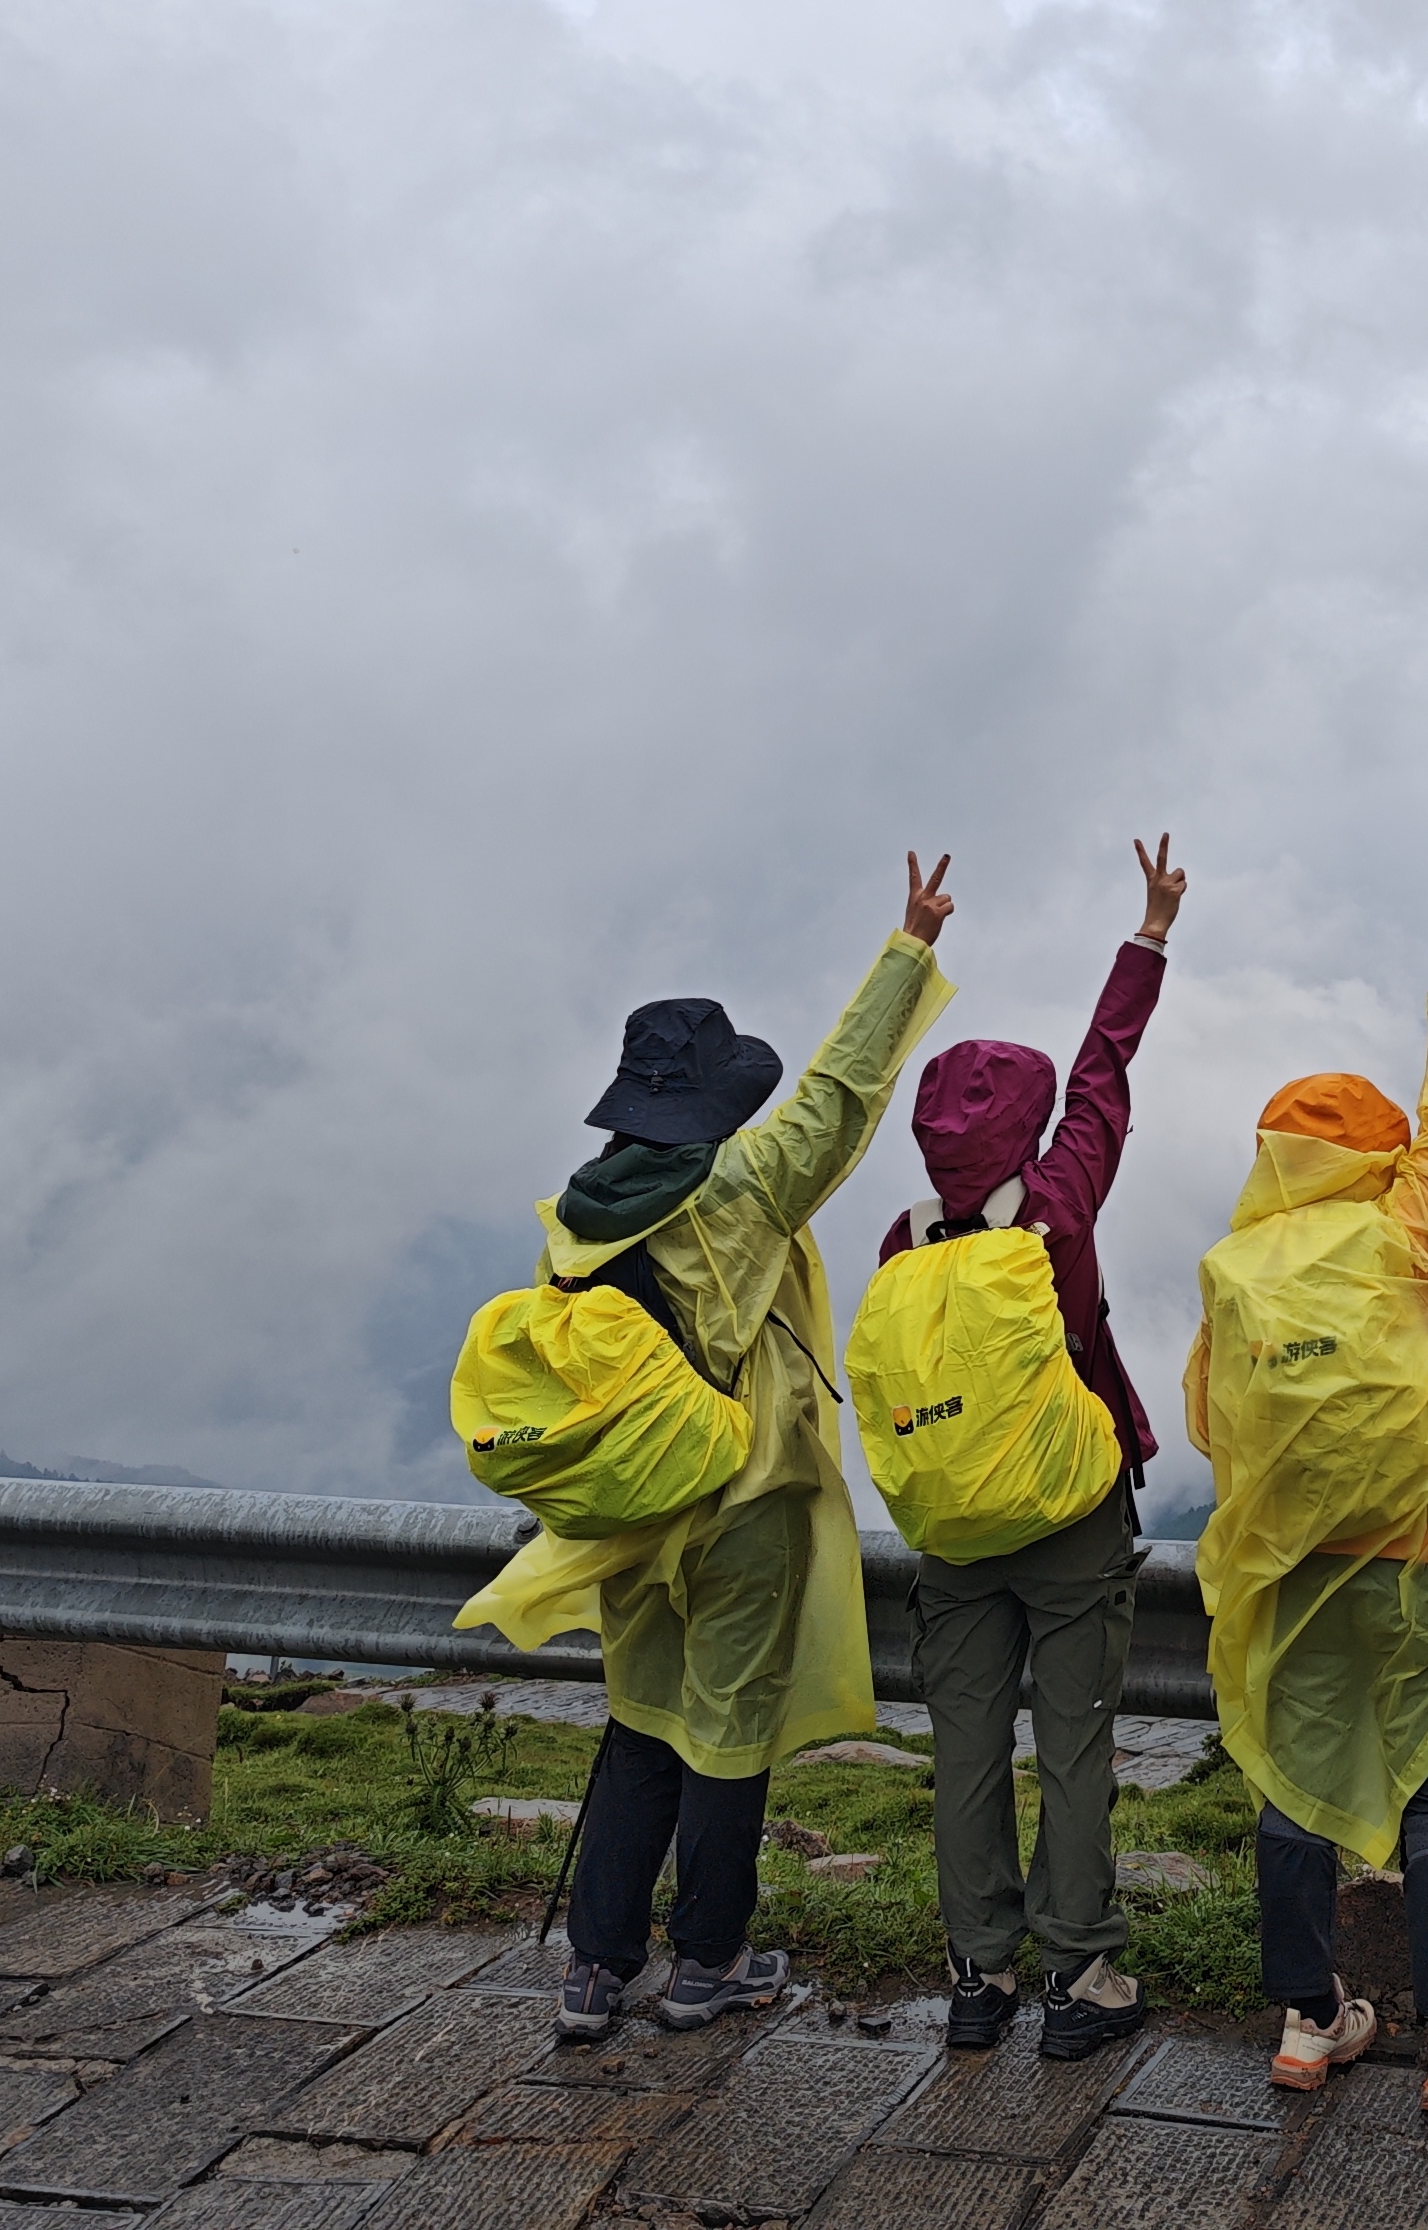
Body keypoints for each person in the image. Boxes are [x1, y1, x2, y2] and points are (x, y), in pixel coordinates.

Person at [461, 854, 961, 2042]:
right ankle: (709, 1963)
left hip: (630, 1508)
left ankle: (593, 1973)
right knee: (727, 1728)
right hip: (740, 1501)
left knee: (640, 1718)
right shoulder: (746, 1186)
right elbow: (840, 1093)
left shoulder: (576, 1215)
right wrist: (909, 948)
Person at [1188, 880, 1428, 2120]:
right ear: (1378, 1155)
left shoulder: (1235, 1267)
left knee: (1292, 1781)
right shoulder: (1407, 1235)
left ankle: (1307, 2018)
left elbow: (1209, 1422)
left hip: (1295, 1565)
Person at [874, 835, 1187, 2061]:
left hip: (954, 1528)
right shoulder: (1055, 1207)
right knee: (1072, 1746)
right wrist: (1148, 934)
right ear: (1026, 1127)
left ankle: (979, 1976)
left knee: (963, 1751)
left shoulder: (905, 1243)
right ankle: (1081, 1976)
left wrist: (908, 951)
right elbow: (1105, 1072)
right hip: (1067, 1520)